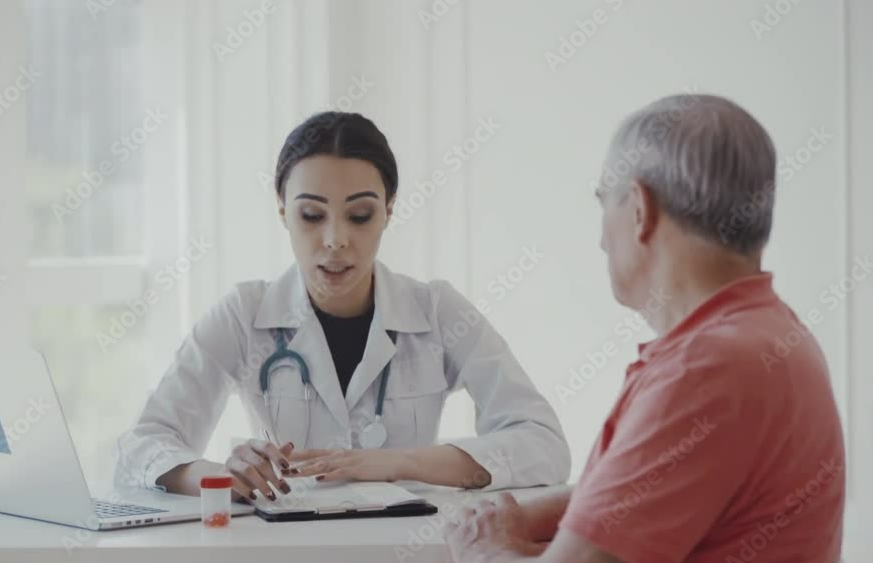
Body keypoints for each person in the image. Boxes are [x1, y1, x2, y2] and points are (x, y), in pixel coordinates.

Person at [445, 94, 845, 562]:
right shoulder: (773, 336)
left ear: (639, 208)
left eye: (604, 203)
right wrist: (522, 520)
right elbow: (645, 494)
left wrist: (483, 547)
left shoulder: (704, 370)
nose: (600, 240)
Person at [113, 111, 570, 503]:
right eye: (312, 216)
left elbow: (544, 446)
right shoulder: (243, 314)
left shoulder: (436, 311)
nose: (335, 240)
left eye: (360, 215)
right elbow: (141, 448)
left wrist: (398, 463)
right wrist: (221, 477)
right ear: (282, 211)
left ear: (389, 210)